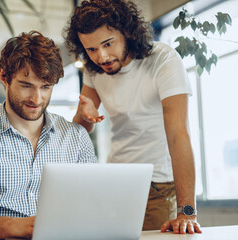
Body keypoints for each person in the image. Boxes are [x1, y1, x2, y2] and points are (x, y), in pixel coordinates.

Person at [0, 31, 97, 240]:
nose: (37, 98)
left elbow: (94, 206)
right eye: (26, 85)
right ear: (4, 76)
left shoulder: (76, 138)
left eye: (46, 87)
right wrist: (16, 226)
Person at [64, 0, 202, 234]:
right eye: (92, 49)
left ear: (126, 31)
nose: (102, 56)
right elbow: (80, 129)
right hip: (115, 181)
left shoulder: (163, 59)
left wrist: (187, 211)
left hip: (158, 184)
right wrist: (85, 116)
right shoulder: (93, 68)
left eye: (107, 44)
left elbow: (179, 134)